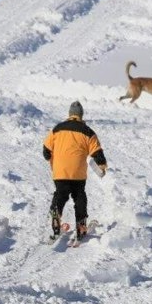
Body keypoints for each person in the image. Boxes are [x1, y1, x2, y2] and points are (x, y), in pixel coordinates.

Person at [43, 101, 107, 241]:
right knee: (79, 198)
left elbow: (46, 151)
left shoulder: (57, 129)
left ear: (69, 114)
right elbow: (97, 152)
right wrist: (102, 166)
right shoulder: (87, 131)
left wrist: (53, 160)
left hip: (60, 171)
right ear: (81, 115)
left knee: (60, 194)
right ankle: (81, 227)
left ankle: (56, 212)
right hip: (77, 173)